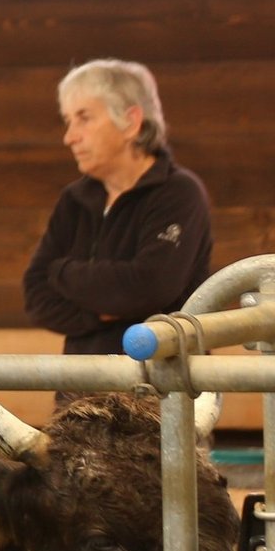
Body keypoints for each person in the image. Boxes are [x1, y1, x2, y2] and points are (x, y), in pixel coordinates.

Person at [22, 58, 213, 366]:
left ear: (131, 121)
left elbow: (150, 287)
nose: (70, 137)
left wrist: (63, 272)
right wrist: (103, 312)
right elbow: (36, 296)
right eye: (68, 121)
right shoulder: (74, 200)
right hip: (82, 386)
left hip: (164, 386)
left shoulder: (179, 193)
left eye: (84, 118)